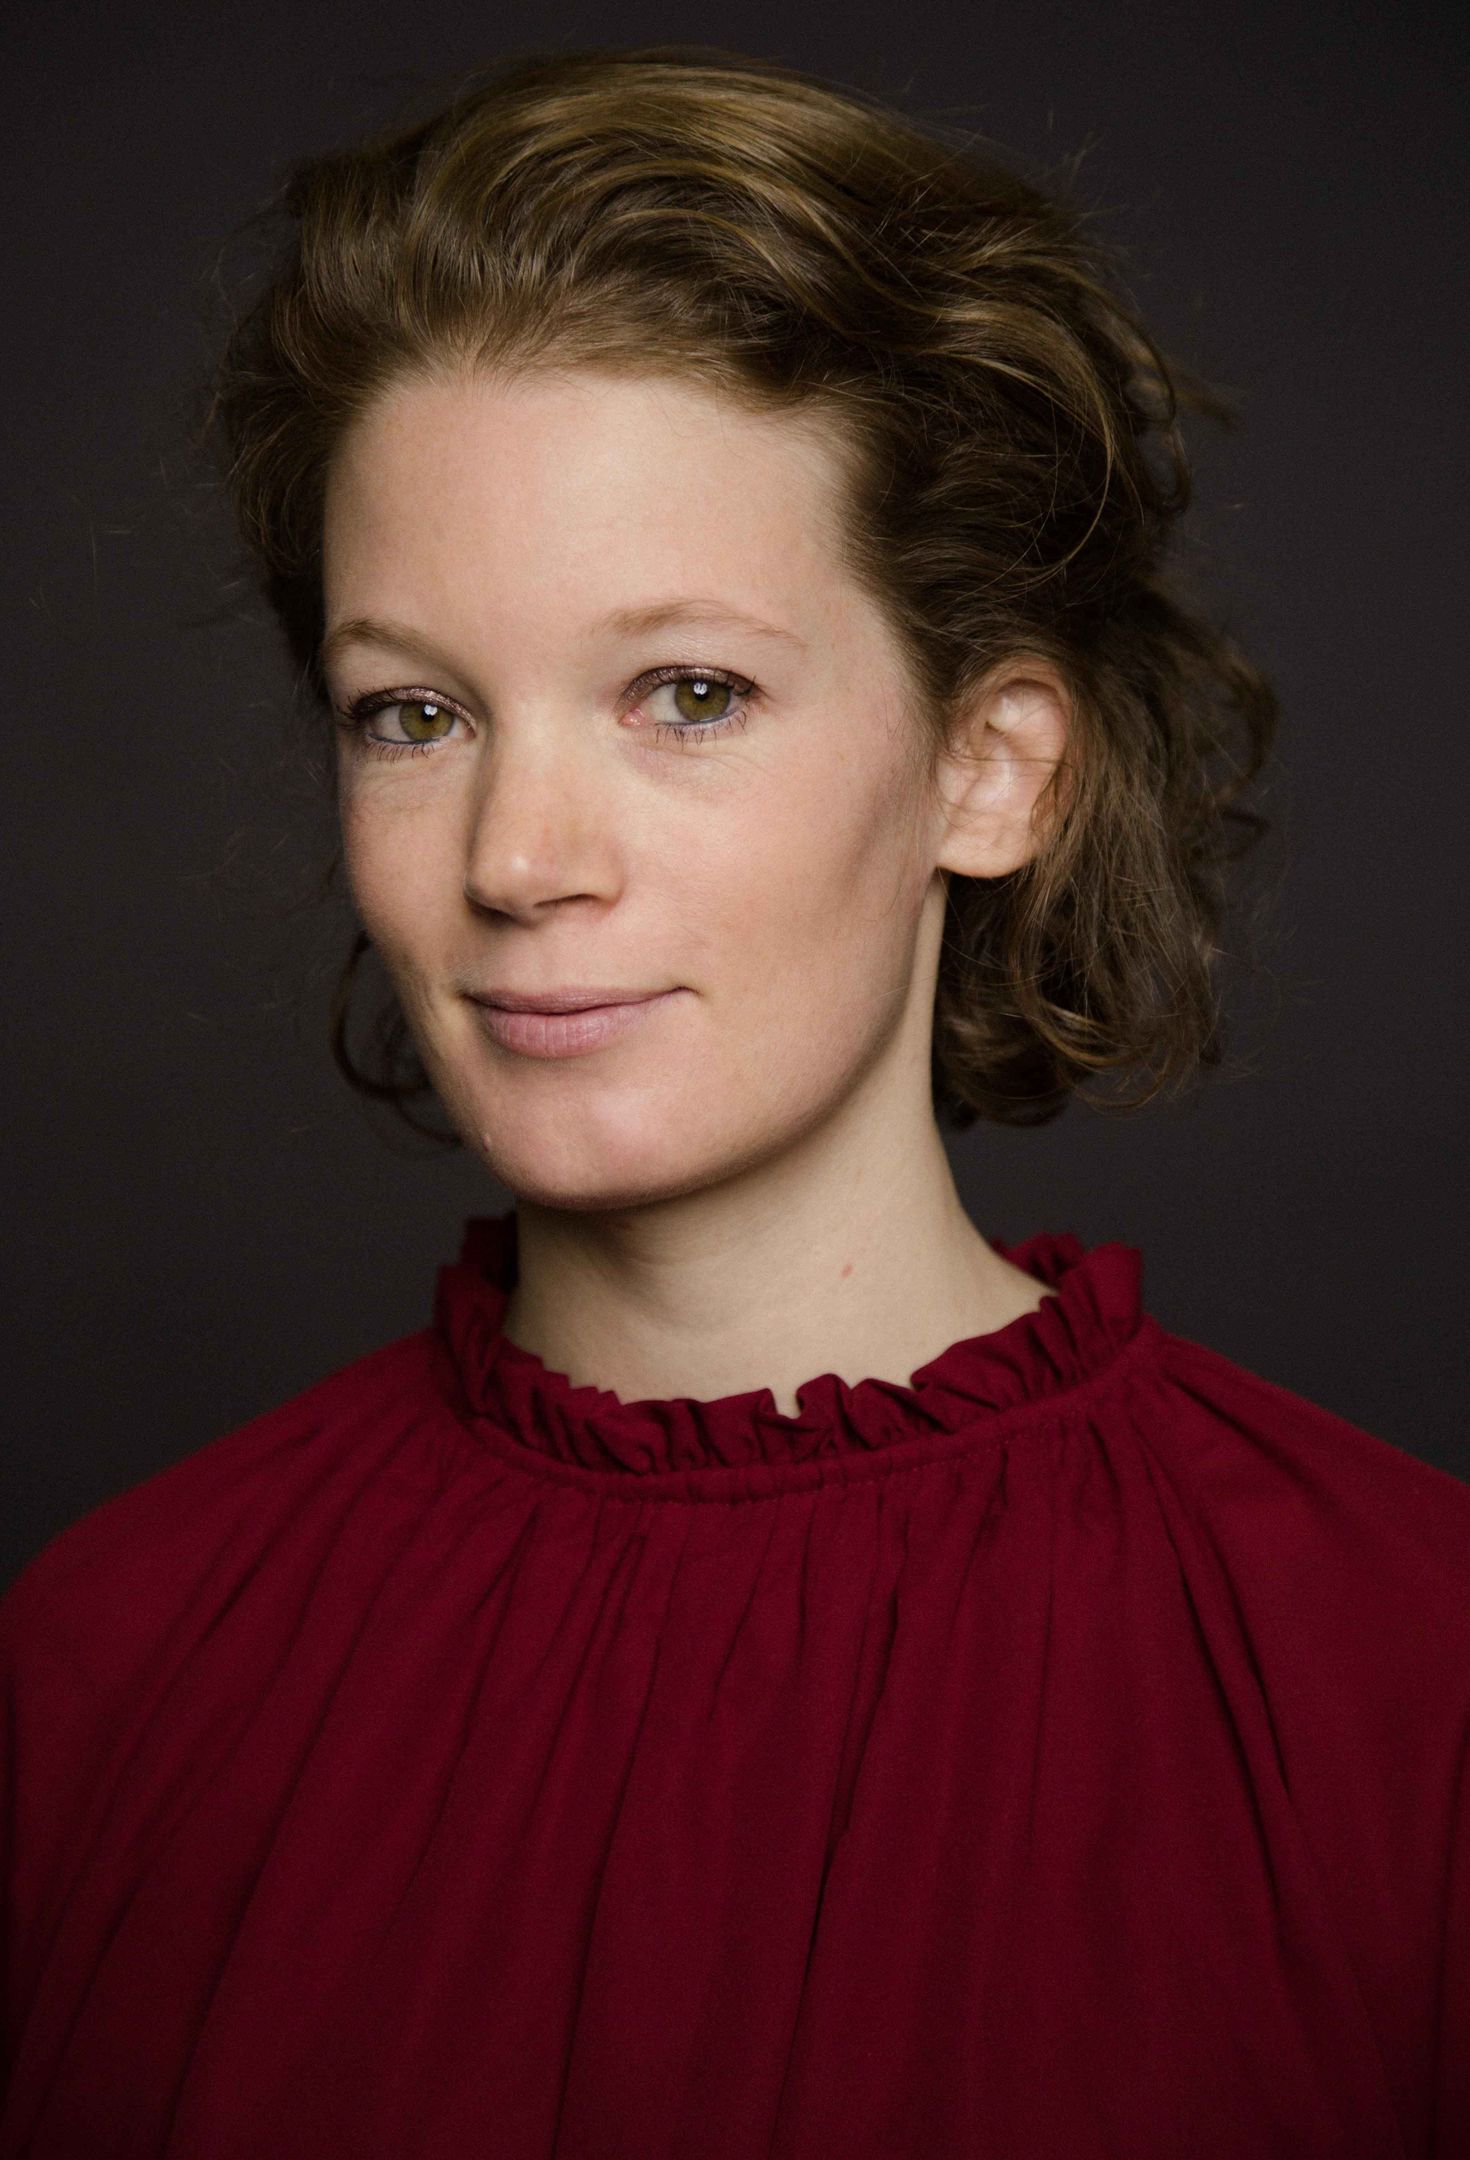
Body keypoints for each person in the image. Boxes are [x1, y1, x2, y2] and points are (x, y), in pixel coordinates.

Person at [2, 43, 1465, 2160]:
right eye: (413, 713)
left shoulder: (1404, 1683)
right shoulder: (105, 1665)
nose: (519, 858)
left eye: (687, 694)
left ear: (989, 766)